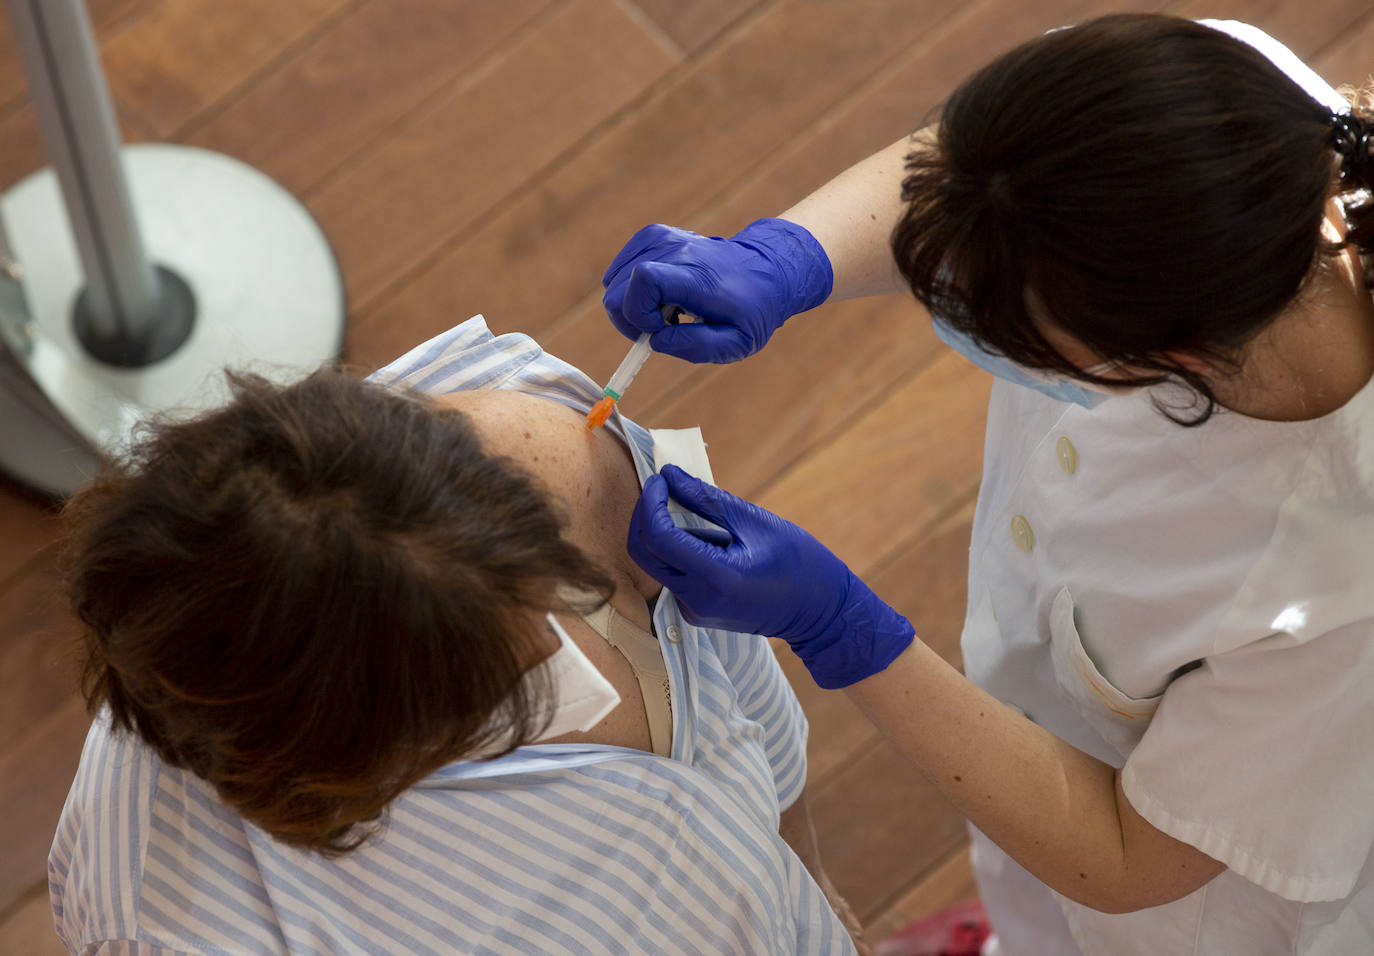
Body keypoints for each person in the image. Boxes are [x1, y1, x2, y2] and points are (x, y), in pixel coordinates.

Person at [601, 15, 1374, 956]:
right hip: (1036, 751)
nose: (954, 285)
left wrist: (843, 628)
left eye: (1014, 324)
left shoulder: (1339, 589)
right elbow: (975, 174)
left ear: (1168, 360)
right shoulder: (1209, 121)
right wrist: (789, 255)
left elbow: (1129, 858)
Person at [48, 315, 864, 955]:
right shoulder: (174, 926)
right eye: (495, 674)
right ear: (362, 755)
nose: (568, 639)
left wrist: (806, 875)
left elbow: (727, 669)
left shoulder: (530, 432)